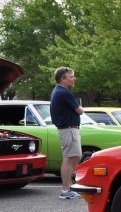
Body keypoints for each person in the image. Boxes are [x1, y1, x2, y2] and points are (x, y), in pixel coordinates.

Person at [50, 67, 84, 199]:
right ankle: (66, 190)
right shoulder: (63, 93)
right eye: (71, 77)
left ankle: (70, 187)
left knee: (75, 157)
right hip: (68, 129)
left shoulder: (58, 92)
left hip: (69, 129)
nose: (73, 78)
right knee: (69, 158)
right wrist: (80, 108)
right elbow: (80, 110)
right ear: (62, 79)